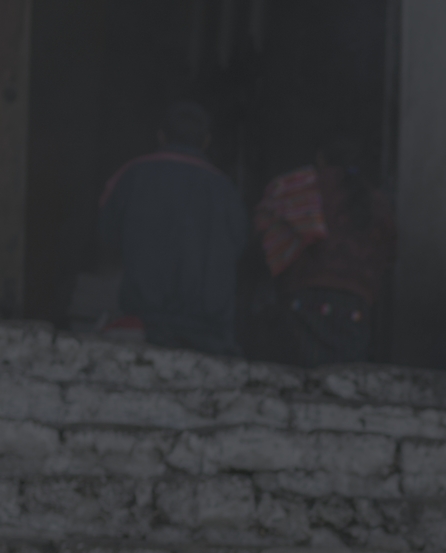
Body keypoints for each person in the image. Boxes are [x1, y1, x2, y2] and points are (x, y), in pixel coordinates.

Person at [98, 102, 249, 355]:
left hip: (144, 325)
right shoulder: (228, 191)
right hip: (209, 333)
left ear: (161, 136)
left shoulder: (130, 175)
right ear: (206, 142)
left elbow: (107, 239)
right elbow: (240, 249)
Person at [254, 138, 398, 366]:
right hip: (355, 311)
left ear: (321, 158)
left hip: (304, 302)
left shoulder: (300, 186)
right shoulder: (378, 203)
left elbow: (268, 229)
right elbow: (389, 255)